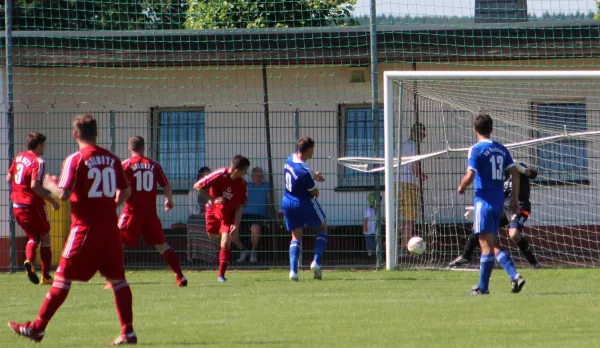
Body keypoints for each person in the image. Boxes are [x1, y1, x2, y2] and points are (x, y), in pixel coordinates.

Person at [8, 115, 137, 344]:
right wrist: (108, 206)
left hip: (84, 230)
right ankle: (128, 331)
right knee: (118, 281)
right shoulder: (112, 159)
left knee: (62, 279)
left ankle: (37, 328)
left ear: (75, 134)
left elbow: (63, 194)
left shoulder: (75, 159)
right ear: (96, 133)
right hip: (110, 230)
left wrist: (49, 184)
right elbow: (125, 193)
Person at [457, 113, 525, 296]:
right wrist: (515, 199)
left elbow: (470, 175)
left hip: (484, 201)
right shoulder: (502, 149)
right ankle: (515, 276)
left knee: (485, 243)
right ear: (492, 129)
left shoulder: (476, 149)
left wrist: (462, 186)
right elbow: (515, 173)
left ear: (474, 129)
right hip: (499, 201)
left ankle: (482, 287)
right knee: (493, 242)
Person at [112, 136, 186, 287]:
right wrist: (169, 200)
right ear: (143, 148)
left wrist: (111, 207)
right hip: (150, 214)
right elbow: (166, 185)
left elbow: (124, 192)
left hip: (132, 213)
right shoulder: (153, 165)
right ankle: (180, 275)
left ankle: (117, 278)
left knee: (117, 243)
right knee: (162, 245)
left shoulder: (125, 165)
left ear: (129, 149)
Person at [450, 163, 540, 268]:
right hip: (503, 208)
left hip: (519, 207)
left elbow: (533, 174)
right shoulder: (498, 174)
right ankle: (466, 256)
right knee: (480, 226)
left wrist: (521, 169)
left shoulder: (517, 166)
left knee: (514, 235)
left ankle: (534, 263)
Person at [6, 132, 59, 285]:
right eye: (44, 145)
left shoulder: (18, 157)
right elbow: (35, 185)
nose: (45, 148)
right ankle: (46, 276)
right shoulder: (38, 162)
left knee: (32, 237)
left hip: (17, 206)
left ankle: (28, 261)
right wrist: (51, 200)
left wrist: (19, 189)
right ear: (39, 145)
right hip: (33, 205)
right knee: (45, 237)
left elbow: (9, 178)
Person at [193, 155, 249, 282]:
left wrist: (236, 224)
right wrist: (212, 199)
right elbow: (197, 186)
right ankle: (219, 233)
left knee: (225, 243)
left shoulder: (242, 184)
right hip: (212, 211)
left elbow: (240, 206)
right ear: (236, 171)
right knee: (212, 236)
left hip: (228, 216)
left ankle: (221, 275)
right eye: (245, 170)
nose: (246, 173)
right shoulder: (219, 174)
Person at [282, 137, 327, 281]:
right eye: (312, 149)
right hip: (303, 203)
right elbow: (315, 193)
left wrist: (314, 176)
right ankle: (316, 262)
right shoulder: (304, 171)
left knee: (296, 236)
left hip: (288, 203)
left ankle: (293, 272)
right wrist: (314, 182)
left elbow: (301, 174)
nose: (313, 152)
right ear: (308, 150)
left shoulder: (289, 159)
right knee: (323, 227)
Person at [398, 122, 427, 255]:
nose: (423, 136)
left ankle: (394, 245)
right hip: (408, 184)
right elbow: (415, 169)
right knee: (409, 218)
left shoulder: (402, 145)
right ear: (415, 133)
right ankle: (405, 248)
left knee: (400, 217)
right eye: (422, 133)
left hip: (396, 184)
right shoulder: (413, 145)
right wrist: (422, 175)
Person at [236, 167, 272, 263]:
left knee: (255, 229)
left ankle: (253, 251)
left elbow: (271, 203)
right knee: (230, 230)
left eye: (261, 175)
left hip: (259, 216)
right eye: (257, 175)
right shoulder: (246, 186)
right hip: (244, 215)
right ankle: (243, 250)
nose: (259, 177)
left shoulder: (266, 186)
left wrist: (269, 216)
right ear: (252, 177)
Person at [187, 167, 213, 263]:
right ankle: (195, 257)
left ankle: (210, 257)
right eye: (205, 175)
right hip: (198, 216)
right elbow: (192, 208)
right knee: (192, 225)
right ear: (200, 177)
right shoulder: (193, 191)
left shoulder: (214, 189)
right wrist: (201, 213)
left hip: (211, 215)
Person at [363, 192, 377, 259]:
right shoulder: (369, 210)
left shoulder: (375, 210)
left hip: (374, 230)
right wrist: (365, 228)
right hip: (369, 230)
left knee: (374, 241)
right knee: (369, 242)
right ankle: (370, 254)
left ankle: (373, 254)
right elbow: (365, 220)